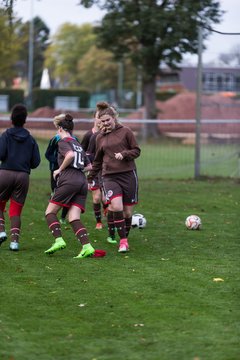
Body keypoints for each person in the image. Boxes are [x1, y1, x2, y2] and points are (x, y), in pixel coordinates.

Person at [87, 102, 141, 253]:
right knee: (116, 206)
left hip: (128, 175)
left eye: (107, 120)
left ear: (114, 118)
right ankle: (123, 242)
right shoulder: (99, 137)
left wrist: (124, 154)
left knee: (127, 213)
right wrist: (90, 177)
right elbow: (97, 161)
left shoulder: (126, 132)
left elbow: (136, 151)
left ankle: (124, 237)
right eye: (102, 121)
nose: (105, 124)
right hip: (109, 177)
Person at [44, 113, 98, 259]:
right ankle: (87, 247)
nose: (57, 132)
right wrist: (77, 170)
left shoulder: (63, 142)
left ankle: (58, 240)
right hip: (81, 181)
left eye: (57, 129)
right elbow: (89, 166)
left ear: (61, 129)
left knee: (50, 212)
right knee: (73, 217)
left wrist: (59, 170)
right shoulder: (77, 144)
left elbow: (69, 156)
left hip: (69, 179)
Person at [0, 104, 41, 251]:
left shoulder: (5, 135)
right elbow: (36, 162)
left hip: (4, 173)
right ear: (25, 120)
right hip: (23, 176)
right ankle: (14, 243)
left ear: (11, 118)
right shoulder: (30, 139)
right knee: (16, 210)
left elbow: (1, 154)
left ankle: (1, 231)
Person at [81, 113, 108, 230]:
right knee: (97, 198)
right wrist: (88, 167)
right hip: (95, 169)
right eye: (98, 117)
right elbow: (85, 152)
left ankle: (106, 207)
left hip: (107, 170)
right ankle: (99, 222)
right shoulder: (91, 136)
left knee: (105, 198)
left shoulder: (111, 135)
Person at [45, 134, 68, 224]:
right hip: (55, 169)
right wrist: (58, 162)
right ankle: (50, 215)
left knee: (68, 193)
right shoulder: (55, 138)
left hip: (68, 170)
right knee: (55, 192)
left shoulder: (74, 139)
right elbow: (48, 154)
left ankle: (62, 218)